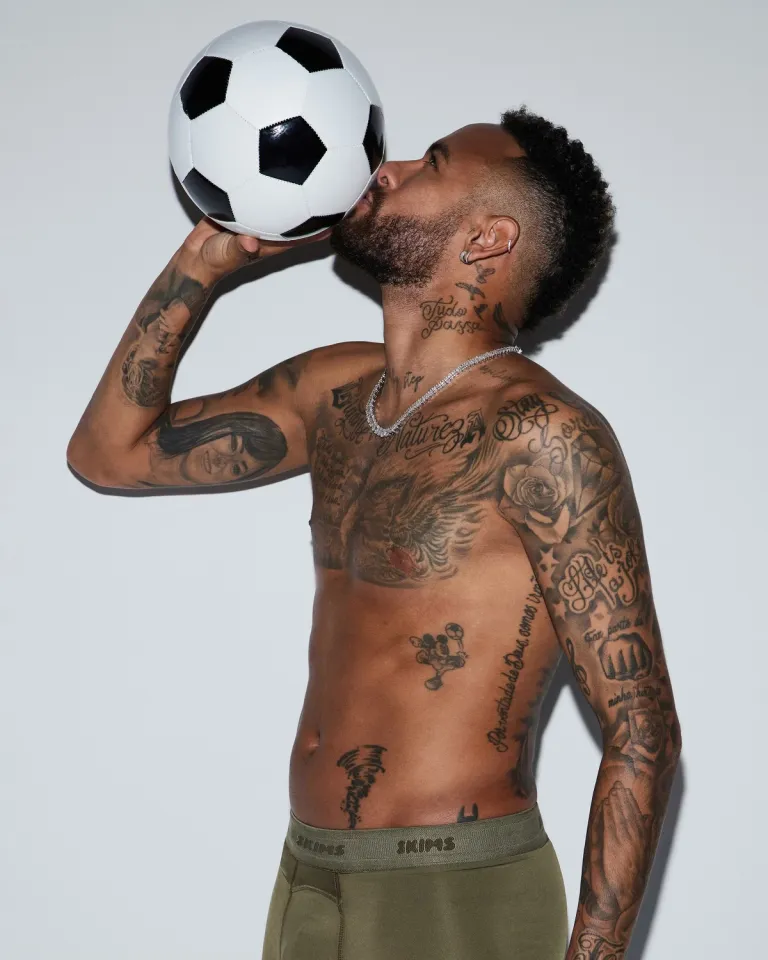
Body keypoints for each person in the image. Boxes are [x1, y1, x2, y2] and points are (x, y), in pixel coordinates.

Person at [67, 105, 682, 960]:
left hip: (454, 885)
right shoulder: (336, 394)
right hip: (310, 869)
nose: (385, 169)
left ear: (488, 239)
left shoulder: (542, 433)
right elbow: (108, 453)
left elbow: (642, 730)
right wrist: (204, 261)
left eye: (433, 163)